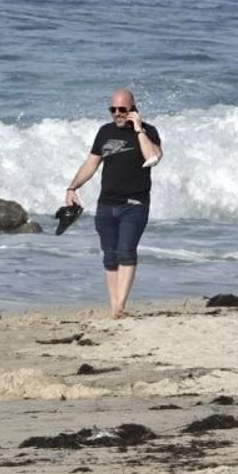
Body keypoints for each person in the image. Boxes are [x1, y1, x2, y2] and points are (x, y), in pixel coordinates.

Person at [64, 89, 163, 319]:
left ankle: (120, 307)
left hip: (135, 203)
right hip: (106, 204)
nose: (117, 114)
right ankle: (115, 308)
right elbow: (91, 164)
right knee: (110, 256)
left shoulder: (149, 131)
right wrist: (72, 187)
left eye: (122, 110)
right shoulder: (104, 132)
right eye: (113, 110)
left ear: (133, 109)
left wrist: (138, 130)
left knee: (126, 252)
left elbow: (153, 158)